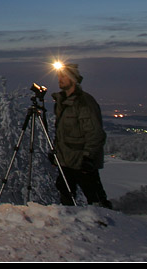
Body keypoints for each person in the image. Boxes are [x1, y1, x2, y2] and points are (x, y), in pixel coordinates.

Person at [50, 63, 113, 208]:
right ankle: (70, 226)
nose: (60, 78)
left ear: (73, 79)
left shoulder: (84, 102)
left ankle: (107, 227)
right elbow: (62, 133)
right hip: (66, 161)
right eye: (59, 75)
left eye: (64, 76)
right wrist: (56, 153)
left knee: (96, 200)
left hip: (81, 161)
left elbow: (95, 133)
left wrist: (88, 158)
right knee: (66, 197)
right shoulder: (62, 102)